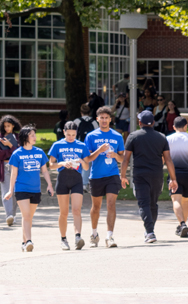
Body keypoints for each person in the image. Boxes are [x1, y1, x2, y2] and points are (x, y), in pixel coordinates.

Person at [125, 110, 178, 243]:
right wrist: (173, 179)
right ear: (153, 123)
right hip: (157, 175)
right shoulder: (161, 137)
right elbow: (168, 159)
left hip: (140, 175)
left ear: (139, 122)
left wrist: (122, 176)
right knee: (152, 204)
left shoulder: (133, 136)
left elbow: (126, 159)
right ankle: (150, 231)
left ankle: (149, 232)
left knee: (144, 203)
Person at [3, 125, 53, 251]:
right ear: (25, 137)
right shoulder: (17, 154)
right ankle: (29, 241)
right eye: (32, 135)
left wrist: (50, 185)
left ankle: (24, 242)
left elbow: (45, 171)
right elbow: (13, 174)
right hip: (21, 189)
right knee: (26, 215)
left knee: (28, 217)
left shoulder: (39, 152)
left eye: (35, 135)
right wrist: (10, 190)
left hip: (35, 190)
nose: (35, 137)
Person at [85, 106, 127, 248]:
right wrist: (100, 150)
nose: (104, 120)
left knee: (111, 204)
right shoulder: (91, 136)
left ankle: (109, 236)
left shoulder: (117, 136)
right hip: (96, 176)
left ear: (110, 119)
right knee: (96, 207)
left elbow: (122, 158)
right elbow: (88, 158)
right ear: (97, 119)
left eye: (106, 118)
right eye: (101, 117)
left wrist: (115, 155)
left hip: (112, 175)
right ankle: (94, 234)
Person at [47, 120, 88, 250]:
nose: (71, 137)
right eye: (68, 134)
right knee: (64, 212)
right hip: (63, 178)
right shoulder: (57, 145)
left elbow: (86, 167)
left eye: (73, 135)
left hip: (77, 179)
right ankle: (63, 239)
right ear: (64, 132)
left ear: (77, 134)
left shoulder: (82, 145)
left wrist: (81, 161)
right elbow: (51, 165)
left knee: (76, 209)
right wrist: (62, 163)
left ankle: (78, 237)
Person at [0, 115, 21, 226]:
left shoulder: (18, 137)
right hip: (4, 166)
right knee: (6, 192)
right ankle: (8, 215)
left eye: (9, 126)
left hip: (16, 167)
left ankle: (13, 215)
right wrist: (11, 151)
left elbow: (20, 153)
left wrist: (10, 146)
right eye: (5, 126)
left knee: (15, 192)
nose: (6, 129)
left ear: (13, 125)